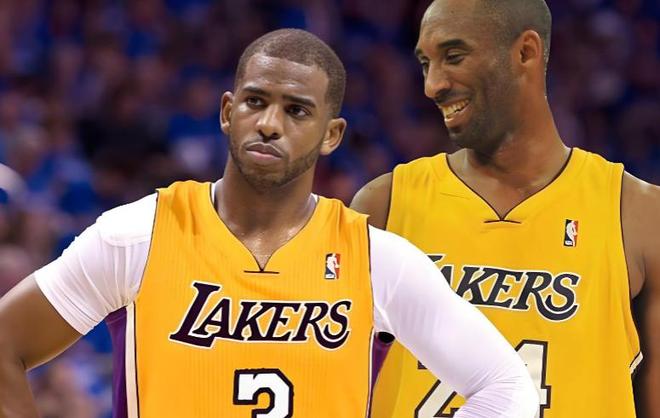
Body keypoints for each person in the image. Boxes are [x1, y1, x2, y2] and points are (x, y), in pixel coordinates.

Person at [0, 29, 538, 418]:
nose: (269, 124)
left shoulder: (379, 262)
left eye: (297, 110)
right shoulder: (138, 235)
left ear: (331, 135)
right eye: (255, 102)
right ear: (227, 111)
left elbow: (507, 388)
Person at [351, 0, 660, 417]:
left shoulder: (638, 215)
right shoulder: (384, 205)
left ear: (525, 52)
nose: (432, 85)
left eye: (453, 57)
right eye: (425, 63)